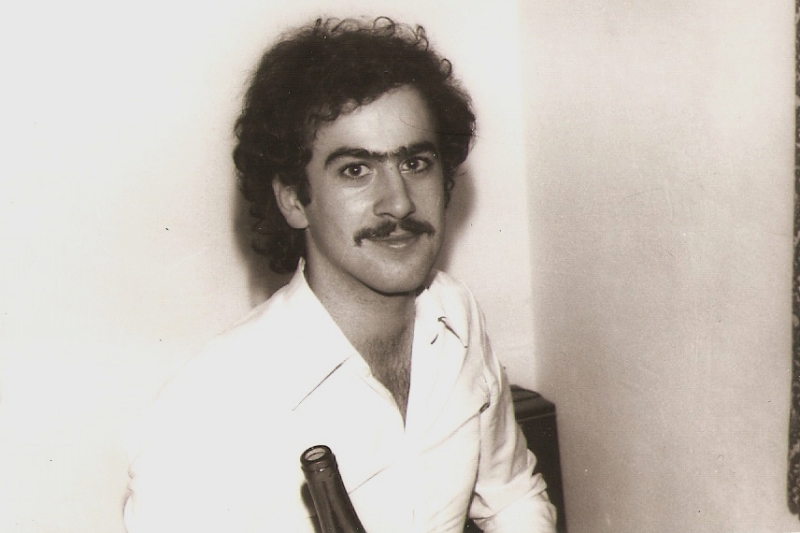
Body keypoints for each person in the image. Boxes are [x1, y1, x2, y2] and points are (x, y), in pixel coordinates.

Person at [123, 17, 557, 533]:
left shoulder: (455, 314)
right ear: (293, 199)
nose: (399, 201)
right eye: (356, 169)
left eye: (416, 162)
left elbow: (512, 497)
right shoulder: (204, 410)